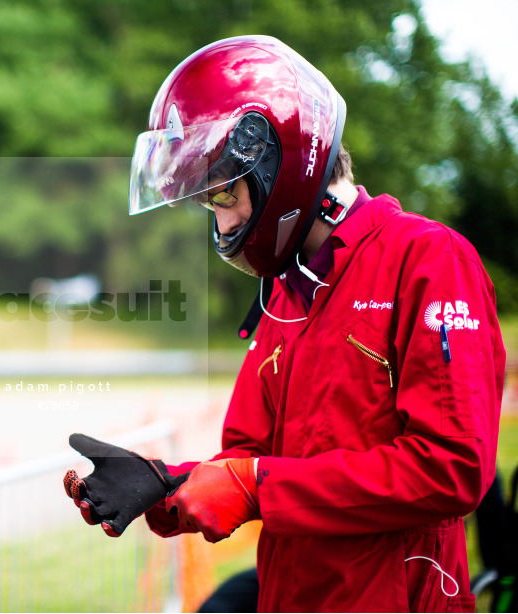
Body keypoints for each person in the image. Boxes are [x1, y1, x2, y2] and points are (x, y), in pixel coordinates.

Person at [63, 35, 504, 612]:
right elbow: (252, 458)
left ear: (282, 163)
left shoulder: (427, 259)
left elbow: (452, 468)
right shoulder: (285, 291)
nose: (219, 222)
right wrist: (164, 484)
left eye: (222, 195)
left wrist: (255, 485)